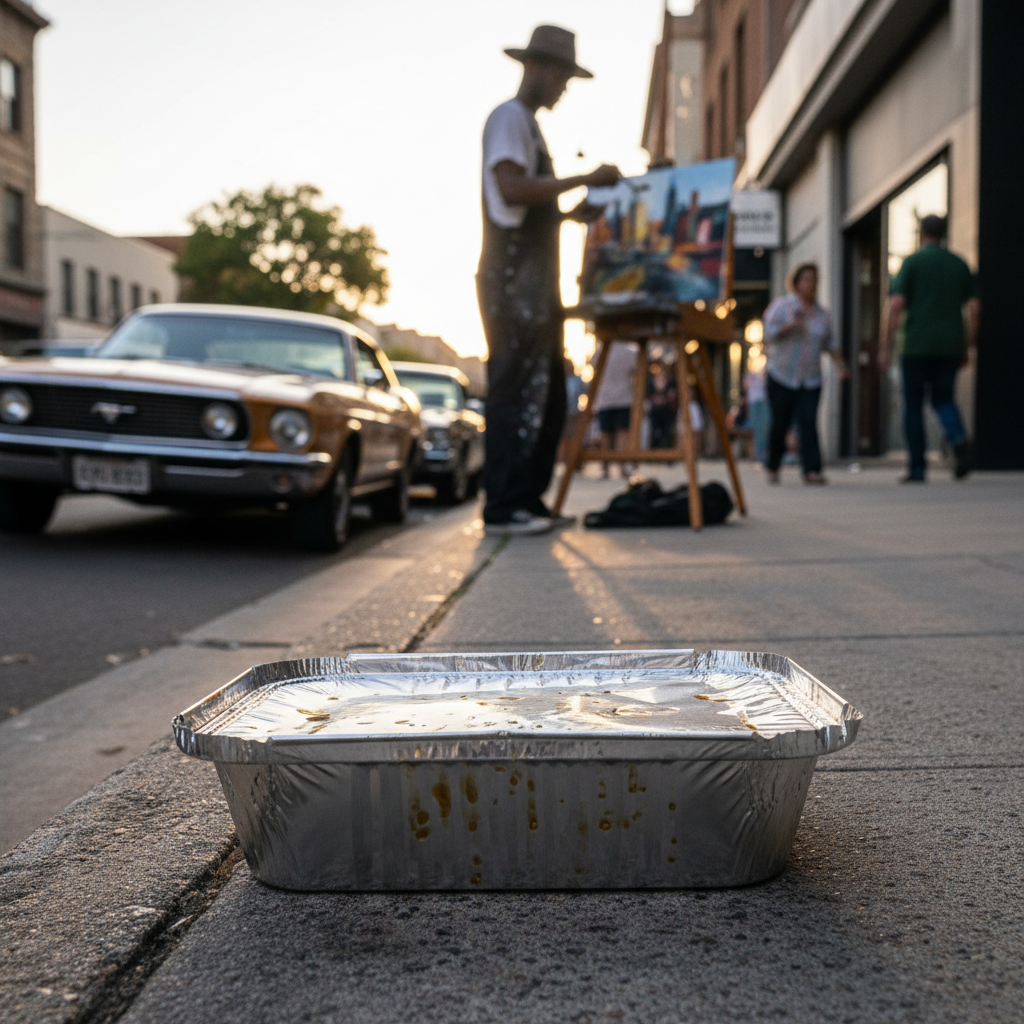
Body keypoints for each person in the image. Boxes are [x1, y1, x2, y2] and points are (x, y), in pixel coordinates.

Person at [477, 24, 620, 534]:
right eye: (561, 77)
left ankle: (527, 498)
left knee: (547, 395)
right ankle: (503, 506)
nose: (563, 89)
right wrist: (584, 178)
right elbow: (511, 190)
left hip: (534, 283)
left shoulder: (527, 125)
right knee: (515, 390)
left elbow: (525, 205)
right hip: (513, 280)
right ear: (538, 69)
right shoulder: (509, 118)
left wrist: (568, 214)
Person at [879, 214, 980, 483]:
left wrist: (885, 346)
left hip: (915, 345)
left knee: (913, 405)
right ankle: (958, 439)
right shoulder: (959, 264)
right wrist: (967, 345)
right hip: (950, 345)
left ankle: (917, 468)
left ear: (921, 233)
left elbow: (896, 304)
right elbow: (974, 308)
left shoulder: (911, 263)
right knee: (943, 398)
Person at [762, 262, 849, 484]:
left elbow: (830, 343)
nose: (811, 284)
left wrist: (841, 366)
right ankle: (773, 464)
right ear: (797, 283)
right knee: (780, 423)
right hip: (781, 375)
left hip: (810, 379)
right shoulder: (782, 307)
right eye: (806, 279)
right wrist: (790, 327)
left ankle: (812, 469)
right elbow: (768, 335)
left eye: (814, 279)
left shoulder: (822, 314)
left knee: (808, 422)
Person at [594, 340, 638, 477]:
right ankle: (622, 467)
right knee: (622, 433)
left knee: (605, 433)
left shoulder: (599, 351)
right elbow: (636, 374)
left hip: (605, 398)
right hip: (624, 398)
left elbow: (594, 370)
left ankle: (605, 467)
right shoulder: (630, 352)